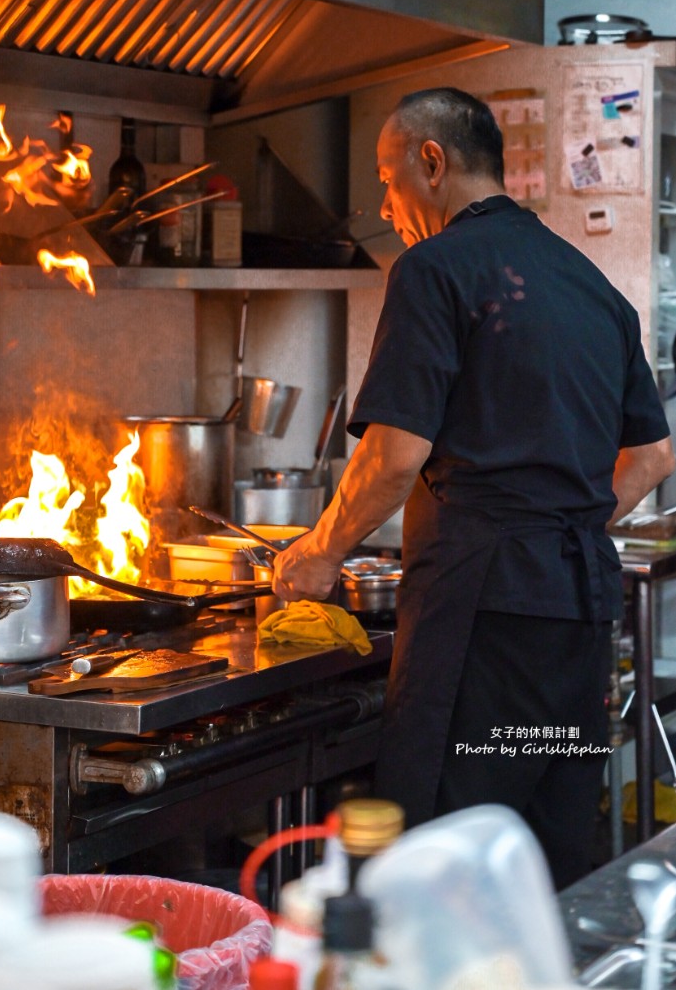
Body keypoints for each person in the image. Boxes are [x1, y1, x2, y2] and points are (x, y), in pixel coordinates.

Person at [270, 86, 675, 889]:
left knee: (446, 848)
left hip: (479, 617)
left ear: (432, 161)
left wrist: (317, 554)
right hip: (577, 615)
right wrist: (556, 516)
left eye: (388, 181)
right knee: (542, 844)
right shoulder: (589, 284)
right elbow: (651, 458)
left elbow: (393, 456)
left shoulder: (433, 270)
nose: (387, 207)